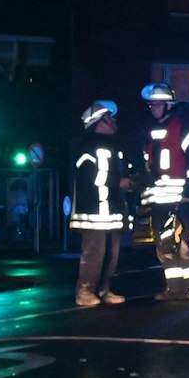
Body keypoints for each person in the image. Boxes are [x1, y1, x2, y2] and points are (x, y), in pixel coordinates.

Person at [139, 82, 189, 300]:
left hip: (180, 200)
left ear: (169, 105)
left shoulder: (183, 130)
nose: (154, 109)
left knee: (185, 244)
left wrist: (188, 192)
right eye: (152, 105)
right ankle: (174, 287)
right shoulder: (151, 133)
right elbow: (149, 168)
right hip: (159, 200)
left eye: (158, 104)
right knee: (164, 246)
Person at [71, 100, 136, 306]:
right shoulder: (87, 147)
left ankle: (103, 289)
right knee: (94, 253)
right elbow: (88, 176)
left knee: (111, 254)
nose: (114, 120)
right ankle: (85, 291)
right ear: (99, 122)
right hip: (94, 212)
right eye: (109, 117)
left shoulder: (112, 146)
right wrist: (118, 182)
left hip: (111, 211)